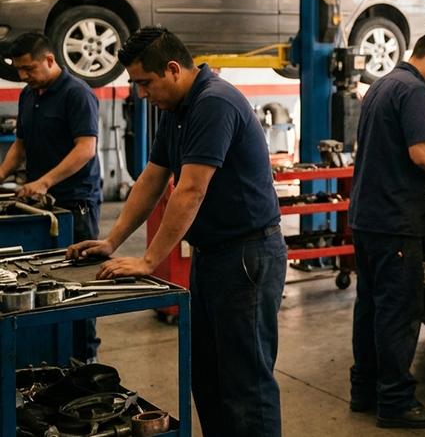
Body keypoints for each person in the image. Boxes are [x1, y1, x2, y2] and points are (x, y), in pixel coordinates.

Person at [69, 27, 286, 437]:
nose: (142, 93)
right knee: (208, 378)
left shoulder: (214, 103)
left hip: (247, 259)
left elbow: (190, 190)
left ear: (172, 69)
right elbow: (152, 178)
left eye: (145, 83)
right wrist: (112, 240)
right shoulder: (177, 109)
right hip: (213, 256)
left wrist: (150, 260)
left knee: (246, 384)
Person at [348, 32, 425, 429]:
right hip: (395, 222)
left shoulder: (382, 84)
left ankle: (363, 391)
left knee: (369, 308)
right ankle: (396, 402)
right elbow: (420, 154)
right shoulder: (415, 90)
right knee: (398, 313)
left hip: (366, 218)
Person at [0, 31, 103, 361]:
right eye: (19, 69)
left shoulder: (77, 94)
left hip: (76, 205)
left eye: (29, 68)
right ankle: (50, 357)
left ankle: (84, 359)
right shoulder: (29, 95)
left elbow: (86, 149)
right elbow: (20, 145)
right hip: (41, 209)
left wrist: (44, 182)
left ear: (49, 59)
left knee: (79, 285)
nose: (23, 75)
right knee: (41, 281)